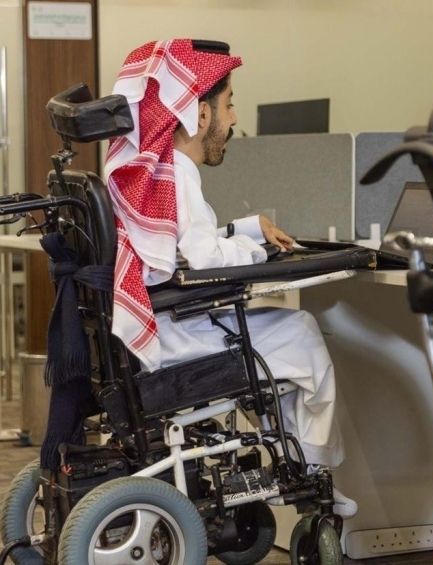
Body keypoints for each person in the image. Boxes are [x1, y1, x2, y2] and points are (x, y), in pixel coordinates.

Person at [104, 39, 356, 516]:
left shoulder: (155, 174)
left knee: (284, 344)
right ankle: (314, 472)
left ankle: (296, 461)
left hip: (161, 329)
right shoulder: (177, 176)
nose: (235, 118)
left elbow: (178, 245)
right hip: (177, 340)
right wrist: (256, 251)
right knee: (301, 334)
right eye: (229, 104)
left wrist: (247, 230)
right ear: (200, 114)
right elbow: (203, 261)